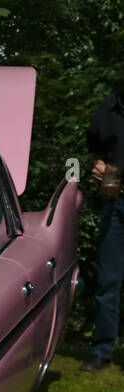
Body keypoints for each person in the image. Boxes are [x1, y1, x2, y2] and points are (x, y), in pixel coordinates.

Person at [84, 79, 124, 371]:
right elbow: (95, 143)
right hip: (116, 198)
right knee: (108, 279)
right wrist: (99, 164)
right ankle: (101, 350)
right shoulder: (112, 105)